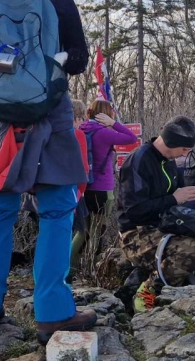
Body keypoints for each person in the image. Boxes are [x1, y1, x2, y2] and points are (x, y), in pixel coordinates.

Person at [0, 0, 96, 345]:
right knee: (57, 212)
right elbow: (77, 61)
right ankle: (53, 312)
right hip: (50, 117)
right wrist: (49, 64)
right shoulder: (57, 0)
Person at [117, 116, 195, 312]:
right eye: (184, 150)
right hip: (135, 233)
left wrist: (194, 200)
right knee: (192, 249)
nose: (186, 154)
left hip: (164, 225)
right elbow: (134, 210)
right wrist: (174, 199)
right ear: (171, 143)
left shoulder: (169, 162)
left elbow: (175, 195)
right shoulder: (139, 160)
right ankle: (148, 291)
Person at [71, 99, 137, 271]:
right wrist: (113, 123)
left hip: (84, 186)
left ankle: (74, 263)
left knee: (84, 228)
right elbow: (132, 138)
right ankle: (83, 265)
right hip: (102, 188)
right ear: (106, 115)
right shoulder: (104, 133)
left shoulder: (81, 129)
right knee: (96, 229)